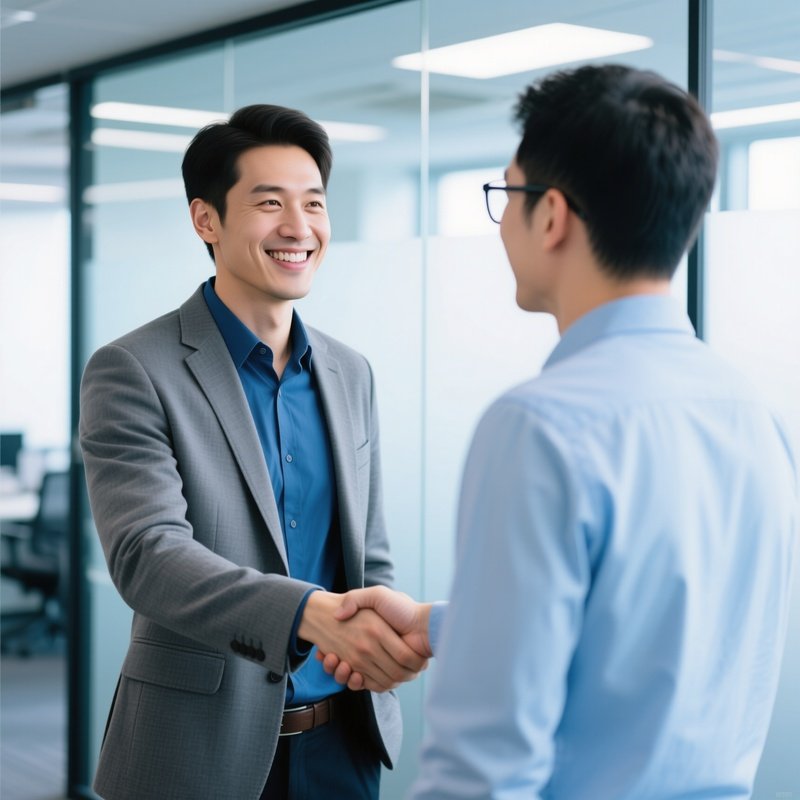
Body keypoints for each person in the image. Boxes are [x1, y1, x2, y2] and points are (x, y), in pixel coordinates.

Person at [318, 64, 799, 799]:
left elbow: (482, 772)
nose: (503, 220)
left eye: (507, 195)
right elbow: (652, 640)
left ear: (552, 217)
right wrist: (437, 623)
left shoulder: (539, 427)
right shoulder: (754, 415)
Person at [79, 104, 428, 800]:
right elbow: (148, 556)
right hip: (195, 750)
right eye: (270, 204)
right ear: (206, 220)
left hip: (343, 744)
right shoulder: (134, 368)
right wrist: (306, 613)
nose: (299, 228)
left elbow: (368, 549)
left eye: (314, 204)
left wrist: (379, 642)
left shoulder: (348, 371)